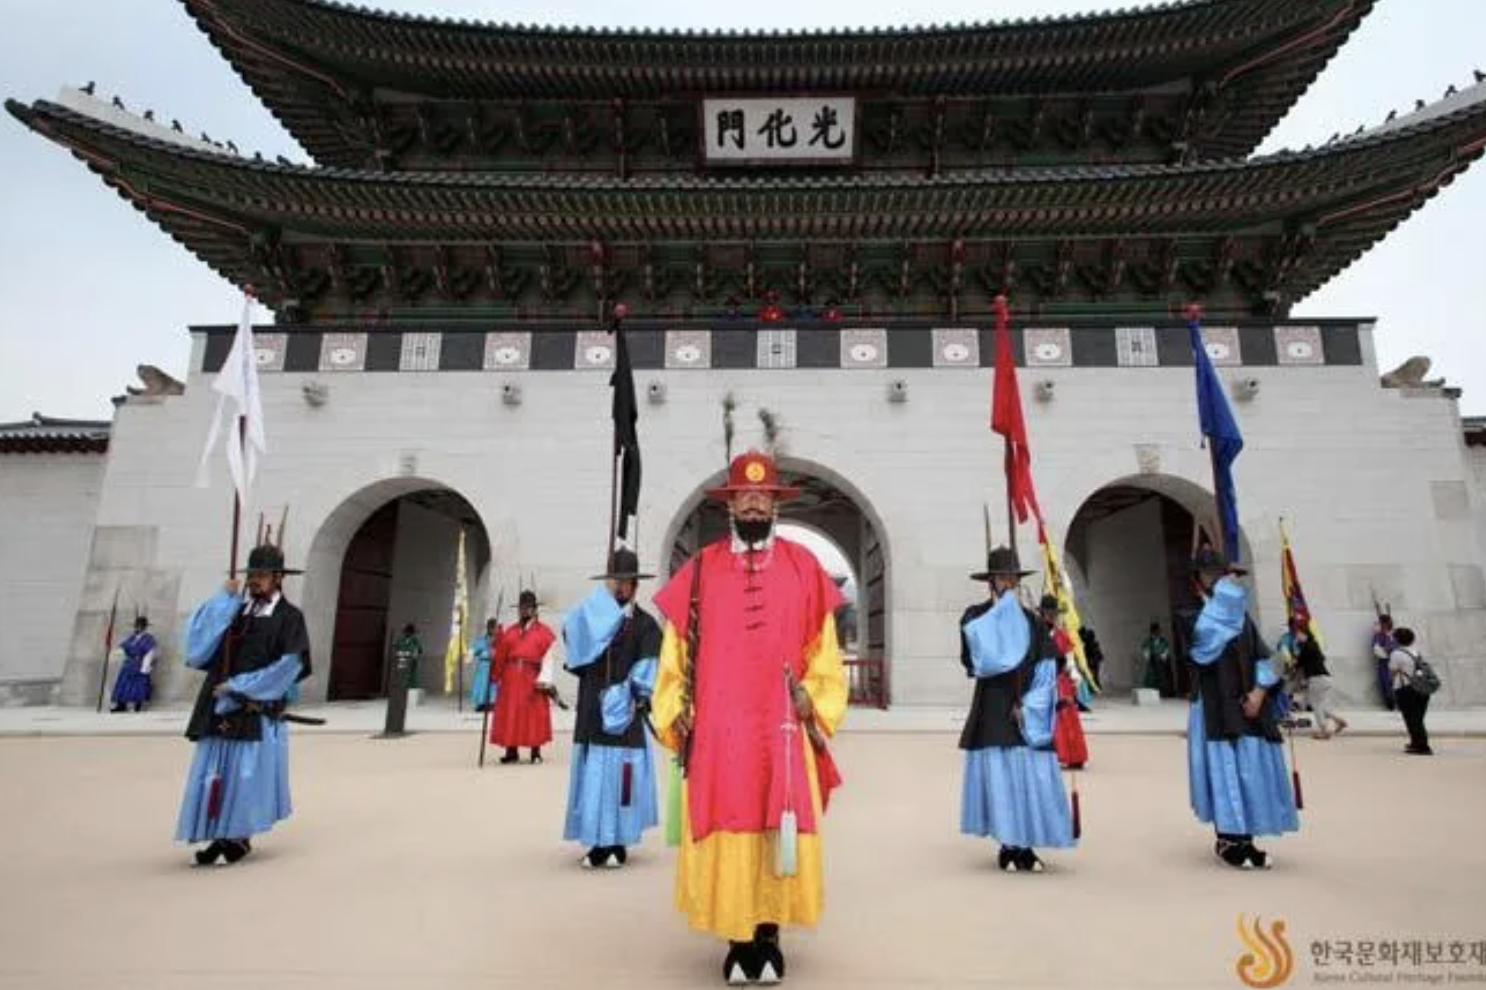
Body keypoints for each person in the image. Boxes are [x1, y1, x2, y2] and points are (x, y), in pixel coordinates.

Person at [651, 450, 847, 985]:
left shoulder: (804, 567)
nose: (755, 502)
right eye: (745, 495)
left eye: (764, 496)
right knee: (730, 822)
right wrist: (677, 710)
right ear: (731, 504)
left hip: (781, 726)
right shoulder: (699, 571)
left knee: (776, 822)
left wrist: (814, 697)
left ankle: (769, 934)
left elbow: (824, 651)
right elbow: (675, 656)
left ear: (776, 505)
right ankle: (738, 940)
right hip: (721, 730)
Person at [175, 544, 311, 866]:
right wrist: (223, 601)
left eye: (262, 576)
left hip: (253, 706)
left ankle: (236, 835)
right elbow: (196, 650)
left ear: (278, 578)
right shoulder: (233, 611)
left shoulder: (290, 617)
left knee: (244, 775)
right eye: (251, 575)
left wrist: (240, 687)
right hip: (218, 703)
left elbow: (290, 665)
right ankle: (216, 833)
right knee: (213, 771)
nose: (255, 582)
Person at [1177, 547, 1298, 870]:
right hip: (1215, 703)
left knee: (1250, 764)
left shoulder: (1243, 619)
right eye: (1211, 575)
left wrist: (1260, 691)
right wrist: (1225, 605)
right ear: (1199, 581)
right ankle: (1229, 838)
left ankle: (1249, 838)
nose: (1219, 581)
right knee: (1224, 766)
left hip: (1248, 702)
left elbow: (1265, 656)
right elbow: (1203, 649)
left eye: (1223, 575)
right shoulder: (1191, 616)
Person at [959, 549, 1075, 874]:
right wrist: (995, 627)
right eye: (1001, 577)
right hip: (993, 706)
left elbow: (1047, 668)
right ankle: (1008, 844)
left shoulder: (1034, 622)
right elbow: (974, 662)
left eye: (1012, 577)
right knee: (1000, 776)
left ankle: (1026, 845)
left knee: (1029, 777)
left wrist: (1031, 705)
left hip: (1026, 710)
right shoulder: (975, 617)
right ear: (991, 582)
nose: (1008, 583)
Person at [561, 548, 662, 869]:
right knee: (593, 777)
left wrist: (632, 694)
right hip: (593, 708)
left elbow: (648, 667)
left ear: (636, 585)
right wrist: (590, 618)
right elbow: (573, 644)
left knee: (623, 779)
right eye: (614, 581)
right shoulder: (593, 617)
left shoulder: (646, 625)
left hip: (625, 713)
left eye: (626, 582)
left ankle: (618, 843)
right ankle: (596, 843)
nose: (620, 587)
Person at [490, 590, 556, 764]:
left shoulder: (544, 632)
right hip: (511, 677)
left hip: (532, 676)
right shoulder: (510, 632)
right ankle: (511, 751)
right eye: (522, 608)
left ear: (535, 610)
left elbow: (548, 657)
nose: (525, 611)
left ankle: (535, 752)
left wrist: (545, 679)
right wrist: (494, 652)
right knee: (510, 712)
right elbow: (501, 657)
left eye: (529, 608)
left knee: (534, 713)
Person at [1039, 596, 1088, 770]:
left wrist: (1074, 674)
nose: (1051, 616)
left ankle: (1074, 756)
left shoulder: (1061, 635)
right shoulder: (1037, 634)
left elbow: (1069, 658)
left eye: (1053, 613)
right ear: (1042, 612)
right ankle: (1048, 753)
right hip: (1043, 681)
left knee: (1067, 717)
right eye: (1047, 612)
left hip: (1061, 681)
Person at [1291, 621, 1346, 739]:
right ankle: (1338, 721)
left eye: (1298, 634)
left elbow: (1298, 664)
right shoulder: (1314, 644)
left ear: (1304, 633)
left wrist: (1293, 663)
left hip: (1316, 679)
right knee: (1319, 705)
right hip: (1326, 678)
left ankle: (1324, 731)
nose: (1297, 636)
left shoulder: (1306, 647)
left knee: (1315, 705)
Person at [1388, 627, 1433, 755]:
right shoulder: (1416, 651)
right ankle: (1415, 742)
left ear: (1397, 640)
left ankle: (1423, 746)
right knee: (1418, 717)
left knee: (1411, 718)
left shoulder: (1396, 653)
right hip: (1423, 687)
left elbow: (1392, 672)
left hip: (1406, 689)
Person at [110, 615, 158, 713]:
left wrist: (145, 666)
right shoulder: (132, 638)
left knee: (138, 685)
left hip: (140, 664)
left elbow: (150, 653)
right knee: (123, 684)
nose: (137, 628)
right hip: (128, 664)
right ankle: (121, 705)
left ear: (144, 627)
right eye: (136, 625)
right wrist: (114, 652)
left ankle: (137, 705)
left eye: (140, 626)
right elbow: (123, 647)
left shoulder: (148, 639)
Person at [469, 618, 498, 712]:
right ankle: (481, 703)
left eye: (495, 628)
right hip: (483, 666)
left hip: (494, 665)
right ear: (488, 628)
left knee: (493, 685)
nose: (493, 630)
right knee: (481, 684)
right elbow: (473, 650)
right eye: (491, 627)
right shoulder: (481, 639)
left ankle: (492, 703)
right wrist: (473, 652)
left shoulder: (499, 640)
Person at [1140, 622, 1172, 696]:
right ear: (1152, 631)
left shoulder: (1163, 640)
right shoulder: (1148, 641)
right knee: (1151, 679)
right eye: (1155, 631)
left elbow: (1166, 650)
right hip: (1152, 663)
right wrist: (1148, 656)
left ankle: (1164, 693)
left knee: (1163, 679)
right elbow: (1145, 651)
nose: (1157, 632)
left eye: (1158, 631)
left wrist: (1164, 656)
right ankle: (1152, 694)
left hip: (1161, 663)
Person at [1373, 615, 1398, 710]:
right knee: (1385, 683)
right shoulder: (1378, 635)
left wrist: (1391, 649)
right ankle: (1390, 703)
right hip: (1384, 664)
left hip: (1396, 663)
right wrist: (1387, 650)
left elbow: (1400, 646)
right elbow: (1377, 650)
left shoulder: (1395, 634)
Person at [392, 623, 423, 691]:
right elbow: (395, 648)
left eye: (410, 632)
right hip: (401, 661)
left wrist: (415, 655)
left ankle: (411, 689)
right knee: (401, 675)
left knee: (411, 676)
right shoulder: (400, 640)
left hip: (411, 662)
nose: (408, 634)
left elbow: (419, 650)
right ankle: (401, 689)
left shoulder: (415, 640)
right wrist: (398, 654)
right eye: (407, 632)